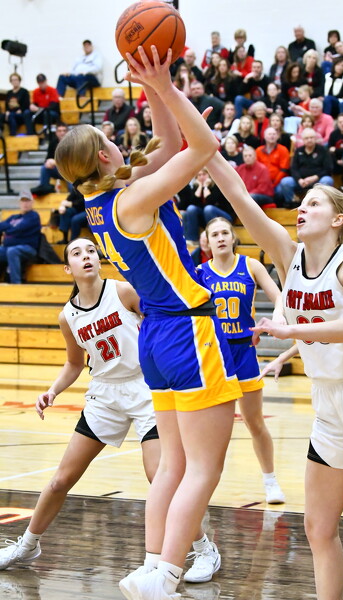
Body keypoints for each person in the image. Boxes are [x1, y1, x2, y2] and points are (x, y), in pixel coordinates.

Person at [55, 46, 241, 600]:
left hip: (157, 336)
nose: (118, 140)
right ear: (104, 156)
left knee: (173, 466)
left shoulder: (102, 202)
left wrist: (158, 86)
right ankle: (167, 574)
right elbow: (202, 147)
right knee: (202, 470)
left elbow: (164, 140)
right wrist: (166, 87)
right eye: (109, 139)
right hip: (189, 329)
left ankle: (151, 566)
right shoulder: (133, 198)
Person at [205, 151, 343, 600]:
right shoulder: (286, 255)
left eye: (313, 203)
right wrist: (205, 150)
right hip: (326, 400)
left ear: (338, 219)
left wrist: (288, 331)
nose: (301, 209)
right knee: (317, 526)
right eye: (301, 203)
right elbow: (239, 197)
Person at [0, 238, 160, 570]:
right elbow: (75, 363)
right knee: (61, 480)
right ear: (67, 268)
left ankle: (203, 548)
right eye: (77, 253)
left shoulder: (123, 292)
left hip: (144, 387)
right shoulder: (68, 316)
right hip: (105, 394)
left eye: (90, 251)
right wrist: (53, 391)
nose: (86, 256)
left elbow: (159, 325)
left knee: (158, 478)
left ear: (99, 261)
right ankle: (27, 546)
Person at [200, 217, 286, 504]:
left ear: (233, 237)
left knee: (254, 422)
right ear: (207, 241)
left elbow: (279, 297)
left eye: (225, 232)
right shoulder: (200, 273)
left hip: (245, 351)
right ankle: (203, 486)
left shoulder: (250, 265)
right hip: (215, 354)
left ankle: (270, 481)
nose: (221, 238)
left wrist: (276, 317)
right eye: (215, 234)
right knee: (215, 429)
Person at [178, 168, 236, 243]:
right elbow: (193, 203)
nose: (201, 177)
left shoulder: (217, 185)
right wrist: (200, 187)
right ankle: (192, 239)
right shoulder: (196, 187)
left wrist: (205, 187)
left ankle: (213, 237)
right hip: (207, 218)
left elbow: (211, 202)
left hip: (224, 216)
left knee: (208, 209)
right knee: (191, 208)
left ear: (209, 175)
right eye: (199, 175)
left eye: (204, 174)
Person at [279, 128, 334, 207]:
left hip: (318, 180)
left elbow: (328, 168)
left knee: (327, 180)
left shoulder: (323, 150)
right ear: (303, 140)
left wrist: (315, 177)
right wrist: (299, 179)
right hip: (301, 181)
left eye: (311, 138)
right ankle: (292, 204)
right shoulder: (298, 151)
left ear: (315, 138)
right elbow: (293, 168)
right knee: (285, 182)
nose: (309, 140)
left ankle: (319, 205)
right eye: (307, 138)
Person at [0, 190, 41, 283]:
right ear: (19, 203)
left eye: (27, 201)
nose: (25, 203)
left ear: (32, 202)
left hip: (28, 248)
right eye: (23, 201)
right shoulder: (13, 217)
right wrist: (12, 228)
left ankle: (16, 284)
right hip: (8, 248)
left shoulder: (34, 216)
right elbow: (1, 226)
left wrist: (8, 229)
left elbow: (19, 228)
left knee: (12, 251)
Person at [31, 123, 70, 196]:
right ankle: (43, 189)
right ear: (56, 133)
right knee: (44, 168)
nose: (62, 133)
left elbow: (72, 161)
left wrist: (55, 162)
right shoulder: (53, 143)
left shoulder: (73, 143)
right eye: (59, 131)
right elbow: (48, 158)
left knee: (72, 174)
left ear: (68, 132)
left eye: (64, 131)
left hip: (69, 171)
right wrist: (48, 162)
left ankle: (73, 197)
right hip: (58, 170)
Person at [255, 127, 291, 200]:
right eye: (269, 134)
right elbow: (256, 169)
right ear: (264, 136)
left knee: (279, 191)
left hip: (277, 182)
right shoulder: (258, 150)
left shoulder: (283, 150)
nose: (272, 136)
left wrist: (273, 183)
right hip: (263, 182)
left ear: (277, 136)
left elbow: (284, 169)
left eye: (274, 134)